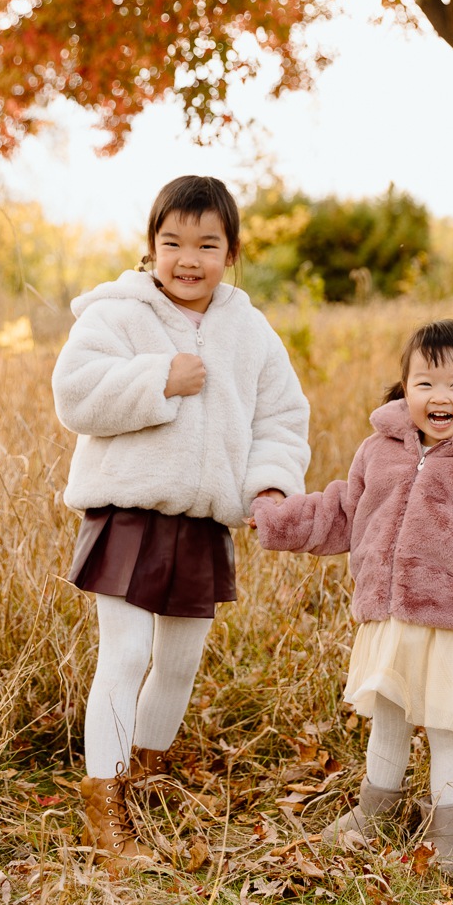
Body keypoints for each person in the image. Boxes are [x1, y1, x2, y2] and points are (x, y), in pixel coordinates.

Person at [250, 319, 453, 870]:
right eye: (424, 383)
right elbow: (343, 513)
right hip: (390, 621)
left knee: (447, 730)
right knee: (390, 719)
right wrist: (280, 520)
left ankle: (446, 830)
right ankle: (376, 812)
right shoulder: (380, 451)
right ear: (405, 390)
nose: (439, 396)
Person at [53, 175, 310, 868]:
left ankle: (145, 772)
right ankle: (105, 812)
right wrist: (158, 378)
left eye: (206, 244)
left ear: (231, 252)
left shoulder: (248, 330)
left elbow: (281, 418)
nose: (187, 259)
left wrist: (270, 486)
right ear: (151, 245)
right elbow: (75, 395)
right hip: (127, 510)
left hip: (202, 523)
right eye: (172, 243)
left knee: (179, 661)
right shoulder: (115, 314)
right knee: (127, 653)